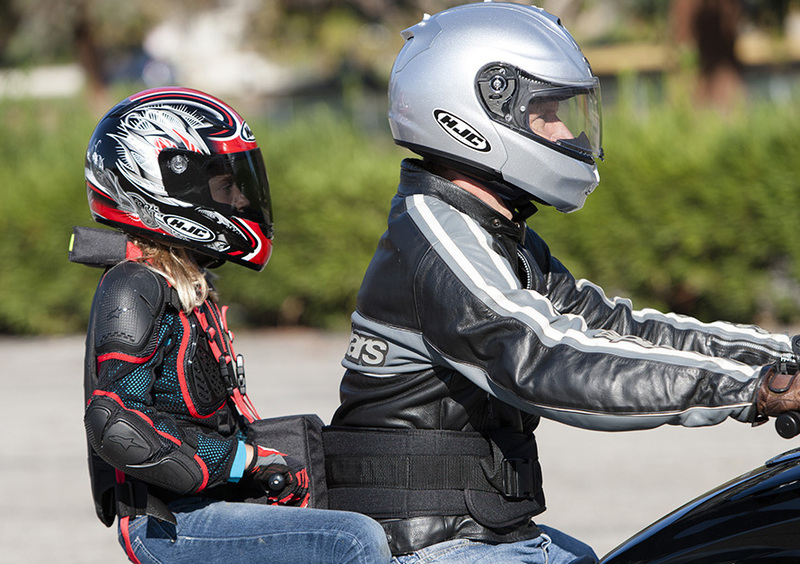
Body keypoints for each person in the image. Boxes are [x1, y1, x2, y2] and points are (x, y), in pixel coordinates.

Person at [322, 3, 800, 563]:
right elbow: (543, 358)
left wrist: (780, 354)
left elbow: (613, 328)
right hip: (427, 546)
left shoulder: (495, 233)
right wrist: (754, 388)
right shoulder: (436, 235)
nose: (566, 131)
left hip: (486, 533)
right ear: (470, 115)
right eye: (545, 113)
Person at [80, 87, 391, 564]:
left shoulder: (181, 283)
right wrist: (243, 460)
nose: (241, 198)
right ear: (164, 186)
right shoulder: (132, 285)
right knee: (353, 540)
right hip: (168, 519)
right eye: (225, 187)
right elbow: (117, 421)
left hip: (207, 501)